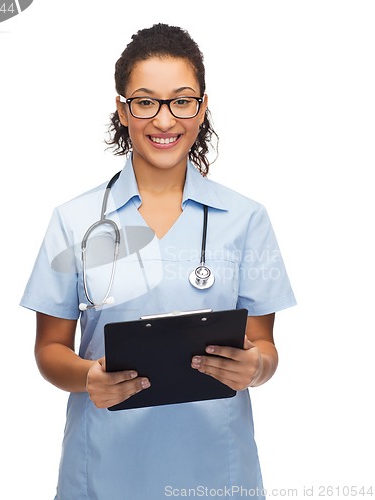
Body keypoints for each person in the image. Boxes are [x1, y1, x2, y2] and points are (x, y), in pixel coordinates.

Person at [20, 23, 296, 500]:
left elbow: (264, 347)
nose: (164, 121)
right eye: (146, 102)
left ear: (202, 107)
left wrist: (254, 368)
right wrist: (87, 377)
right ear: (122, 110)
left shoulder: (246, 219)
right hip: (105, 472)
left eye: (181, 100)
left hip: (217, 473)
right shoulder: (76, 221)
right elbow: (50, 350)